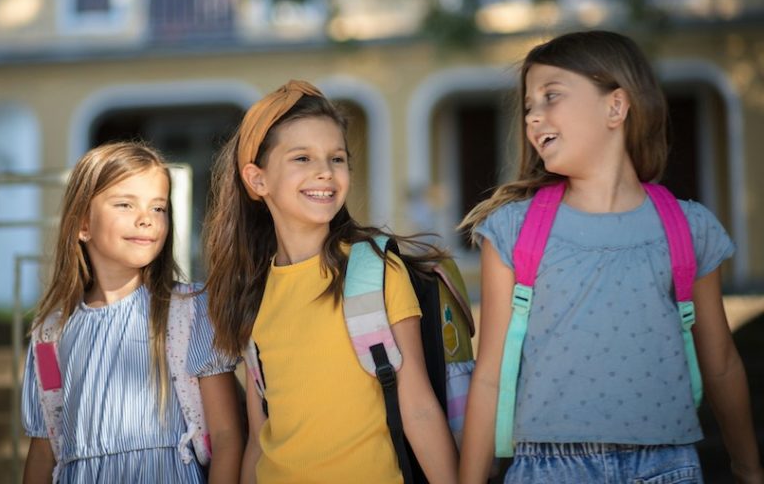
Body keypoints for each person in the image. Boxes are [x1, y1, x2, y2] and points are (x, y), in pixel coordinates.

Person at [458, 30, 763, 483]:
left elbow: (720, 362)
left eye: (551, 96)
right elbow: (489, 377)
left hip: (668, 466)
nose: (533, 116)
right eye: (529, 105)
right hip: (548, 468)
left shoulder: (689, 228)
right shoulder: (513, 230)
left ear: (616, 107)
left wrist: (748, 467)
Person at [203, 80, 458, 484]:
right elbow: (259, 439)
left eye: (337, 158)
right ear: (257, 180)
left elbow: (420, 410)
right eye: (302, 158)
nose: (325, 172)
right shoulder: (253, 292)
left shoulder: (374, 270)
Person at [21, 142, 244, 483]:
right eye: (125, 204)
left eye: (158, 207)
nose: (146, 219)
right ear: (82, 224)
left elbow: (227, 437)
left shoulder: (190, 311)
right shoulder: (48, 337)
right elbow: (43, 450)